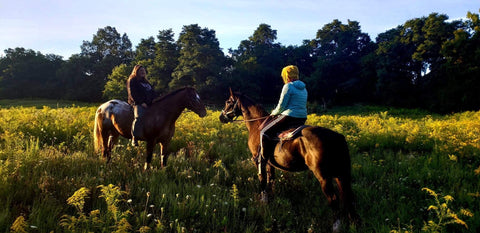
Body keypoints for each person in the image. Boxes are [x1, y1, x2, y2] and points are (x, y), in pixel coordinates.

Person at [259, 65, 308, 159]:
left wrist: (273, 113)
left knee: (263, 132)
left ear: (287, 76)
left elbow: (281, 106)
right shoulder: (304, 88)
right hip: (302, 117)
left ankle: (263, 158)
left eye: (283, 76)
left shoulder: (288, 86)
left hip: (289, 116)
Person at [127, 65, 159, 146]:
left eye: (144, 71)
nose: (143, 72)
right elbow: (133, 93)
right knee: (139, 116)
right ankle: (134, 137)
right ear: (136, 71)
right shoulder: (133, 80)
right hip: (137, 103)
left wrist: (157, 98)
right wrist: (141, 102)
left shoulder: (146, 82)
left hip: (148, 103)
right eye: (141, 71)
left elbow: (152, 92)